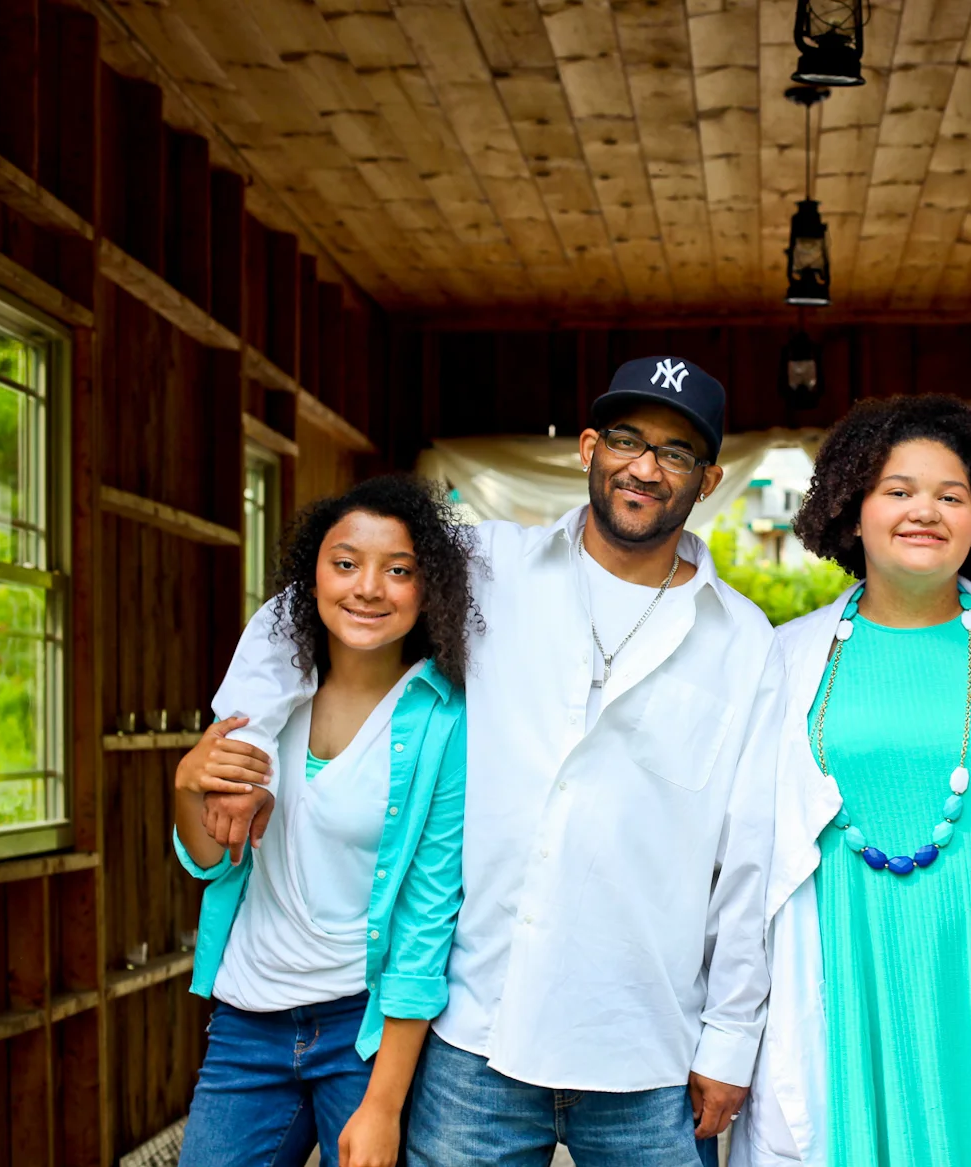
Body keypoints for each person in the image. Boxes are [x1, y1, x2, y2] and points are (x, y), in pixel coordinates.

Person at [196, 357, 781, 1167]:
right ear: (586, 447)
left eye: (676, 451)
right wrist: (249, 737)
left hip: (646, 1042)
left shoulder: (743, 638)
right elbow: (324, 593)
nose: (644, 466)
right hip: (477, 1035)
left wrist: (729, 1034)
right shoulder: (487, 565)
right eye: (625, 439)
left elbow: (750, 849)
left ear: (709, 478)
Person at [731, 395, 971, 1167]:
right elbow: (741, 851)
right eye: (898, 490)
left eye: (951, 495)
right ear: (852, 510)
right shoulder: (785, 659)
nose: (926, 511)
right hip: (860, 992)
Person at [173, 475, 476, 1167]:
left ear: (428, 588)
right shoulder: (263, 702)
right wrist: (185, 785)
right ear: (310, 578)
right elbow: (212, 860)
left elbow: (429, 920)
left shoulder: (445, 721)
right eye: (345, 563)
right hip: (246, 1018)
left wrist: (384, 1104)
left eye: (397, 570)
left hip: (363, 1030)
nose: (368, 586)